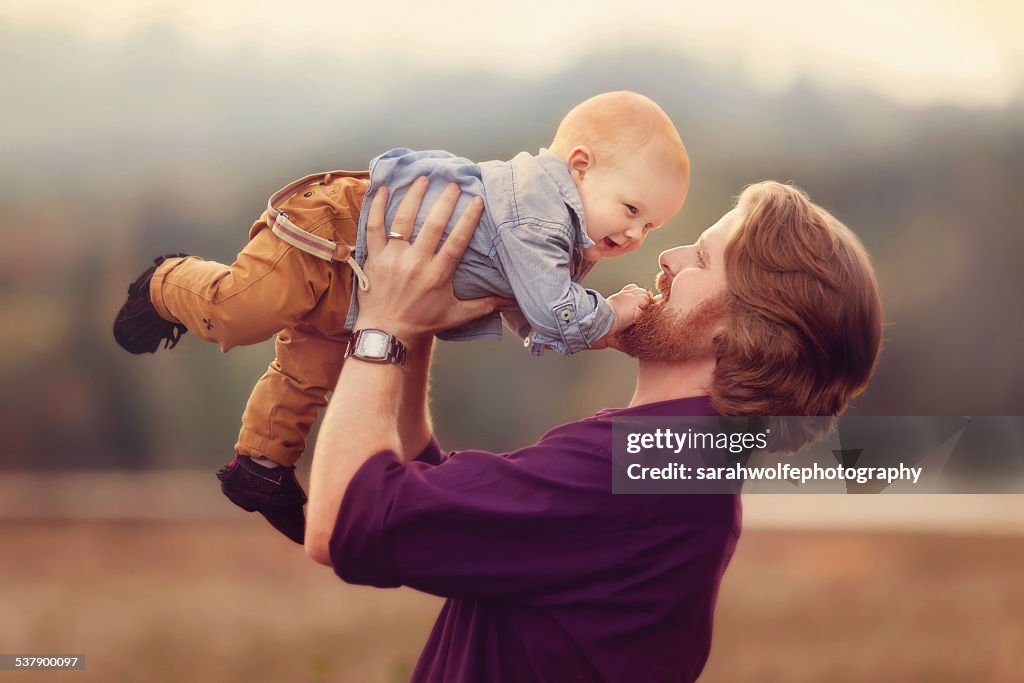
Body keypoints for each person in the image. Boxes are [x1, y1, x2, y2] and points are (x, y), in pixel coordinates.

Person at [304, 178, 883, 681]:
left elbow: (341, 522)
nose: (669, 257)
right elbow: (429, 500)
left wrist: (381, 324)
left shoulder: (640, 471)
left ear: (739, 337)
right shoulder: (674, 467)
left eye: (701, 261)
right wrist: (420, 321)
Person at [111, 91, 688, 543]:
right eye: (632, 209)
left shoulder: (562, 240)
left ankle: (260, 465)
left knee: (312, 368)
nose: (636, 233)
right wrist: (608, 316)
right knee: (241, 311)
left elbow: (534, 323)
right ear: (579, 168)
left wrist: (593, 331)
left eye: (651, 226)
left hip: (371, 278)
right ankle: (166, 282)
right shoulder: (538, 215)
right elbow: (552, 313)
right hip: (338, 227)